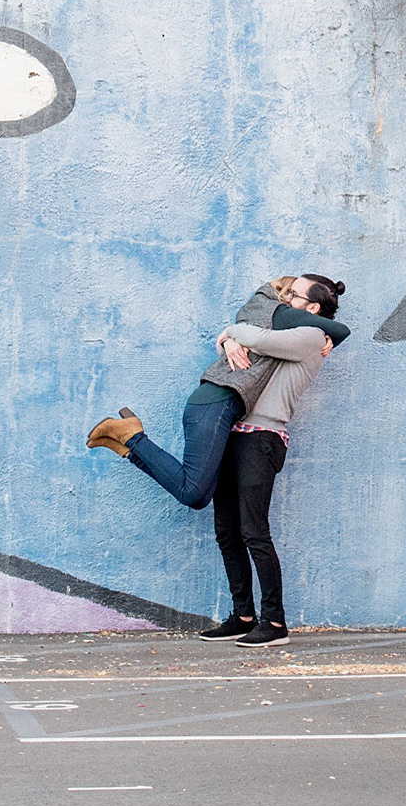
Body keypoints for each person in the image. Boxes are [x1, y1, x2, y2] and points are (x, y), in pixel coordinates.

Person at [86, 272, 348, 644]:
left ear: (313, 307)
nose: (286, 298)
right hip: (236, 432)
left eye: (294, 295)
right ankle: (243, 615)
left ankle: (274, 623)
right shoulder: (297, 327)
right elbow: (252, 344)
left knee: (254, 531)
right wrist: (229, 341)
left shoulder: (310, 336)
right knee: (227, 532)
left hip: (263, 437)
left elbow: (256, 337)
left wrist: (230, 332)